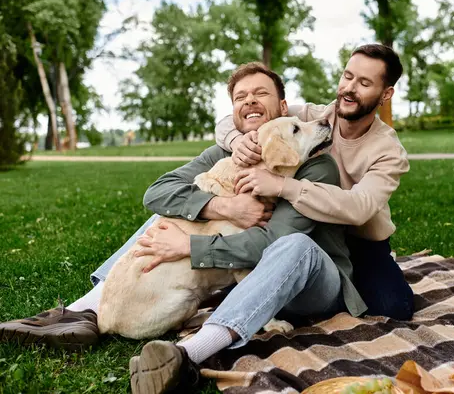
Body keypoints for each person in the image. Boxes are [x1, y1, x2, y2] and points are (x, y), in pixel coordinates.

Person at [0, 62, 366, 394]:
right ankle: (85, 311)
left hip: (312, 286)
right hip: (247, 275)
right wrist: (221, 206)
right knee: (174, 214)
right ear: (234, 112)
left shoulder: (315, 164)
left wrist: (188, 248)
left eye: (261, 93)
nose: (250, 102)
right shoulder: (222, 156)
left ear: (283, 107)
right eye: (241, 97)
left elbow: (270, 242)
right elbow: (157, 193)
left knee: (294, 246)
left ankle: (188, 355)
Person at [216, 43, 414, 321]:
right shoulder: (312, 117)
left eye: (365, 83)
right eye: (348, 76)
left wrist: (282, 186)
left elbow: (359, 208)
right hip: (311, 229)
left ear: (386, 94)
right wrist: (240, 141)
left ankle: (342, 286)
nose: (349, 88)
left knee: (395, 308)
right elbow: (236, 119)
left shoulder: (389, 151)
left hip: (362, 243)